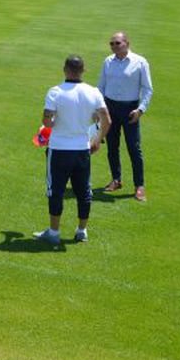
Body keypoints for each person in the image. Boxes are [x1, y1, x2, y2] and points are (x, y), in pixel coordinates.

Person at [35, 55, 111, 245]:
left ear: (65, 70)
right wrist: (97, 140)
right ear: (83, 71)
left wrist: (50, 124)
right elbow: (107, 120)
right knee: (83, 190)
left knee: (56, 190)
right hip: (82, 149)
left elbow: (47, 120)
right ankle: (82, 230)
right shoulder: (93, 92)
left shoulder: (55, 92)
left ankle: (54, 232)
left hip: (59, 149)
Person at [97, 31, 154, 201]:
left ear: (127, 44)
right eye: (112, 43)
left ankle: (139, 186)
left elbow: (148, 89)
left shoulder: (140, 62)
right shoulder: (108, 61)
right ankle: (116, 179)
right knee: (112, 147)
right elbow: (101, 87)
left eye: (117, 43)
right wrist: (99, 110)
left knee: (134, 148)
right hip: (110, 108)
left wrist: (140, 110)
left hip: (130, 110)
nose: (114, 46)